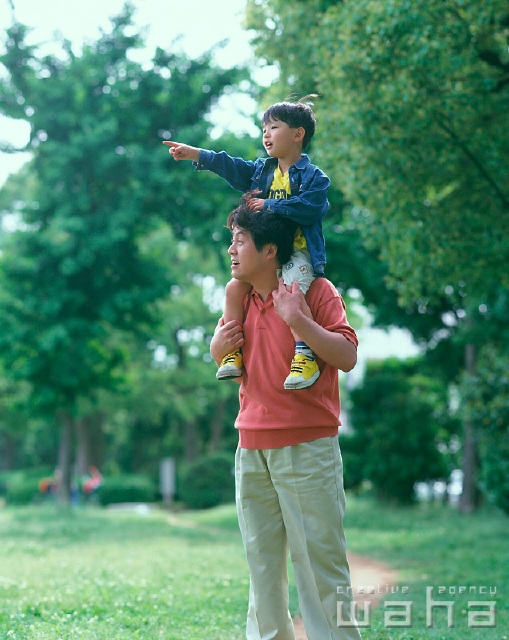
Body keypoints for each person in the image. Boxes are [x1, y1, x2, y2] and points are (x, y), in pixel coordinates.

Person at [210, 203, 362, 640]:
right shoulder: (239, 299)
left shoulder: (315, 291)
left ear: (270, 250)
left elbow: (347, 356)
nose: (231, 250)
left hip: (307, 448)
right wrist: (216, 348)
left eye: (240, 241)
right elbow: (233, 363)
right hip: (251, 446)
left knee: (319, 566)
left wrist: (297, 319)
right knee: (261, 566)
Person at [164, 96, 330, 391]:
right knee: (233, 288)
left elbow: (309, 209)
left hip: (298, 251)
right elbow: (233, 167)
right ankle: (231, 352)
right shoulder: (264, 171)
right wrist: (197, 154)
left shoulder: (314, 178)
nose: (266, 134)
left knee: (292, 290)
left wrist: (268, 205)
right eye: (263, 129)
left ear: (298, 134)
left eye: (273, 127)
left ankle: (305, 355)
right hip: (268, 252)